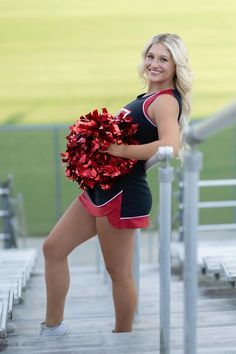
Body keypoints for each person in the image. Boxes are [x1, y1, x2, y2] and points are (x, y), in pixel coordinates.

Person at [39, 33, 192, 336]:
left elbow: (170, 146)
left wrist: (119, 151)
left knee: (118, 273)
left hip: (124, 194)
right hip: (101, 189)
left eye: (164, 59)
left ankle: (123, 336)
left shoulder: (164, 102)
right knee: (53, 248)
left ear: (176, 65)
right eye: (151, 56)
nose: (154, 63)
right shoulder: (145, 97)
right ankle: (52, 327)